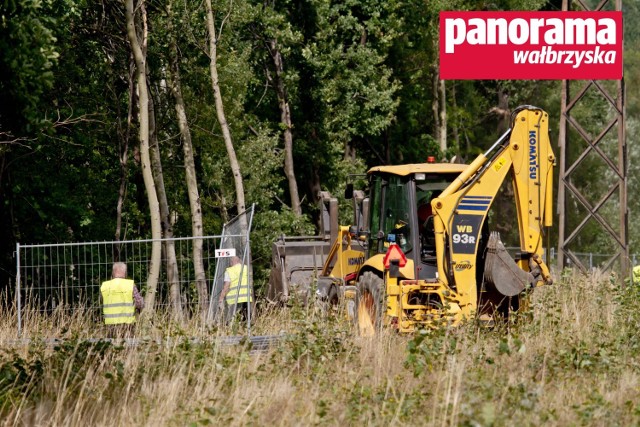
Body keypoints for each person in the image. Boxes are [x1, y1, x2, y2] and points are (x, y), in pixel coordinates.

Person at [100, 262, 144, 338]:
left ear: (113, 272)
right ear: (125, 272)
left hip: (110, 324)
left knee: (112, 346)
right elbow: (139, 303)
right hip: (127, 325)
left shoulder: (105, 286)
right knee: (128, 345)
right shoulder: (130, 285)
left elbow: (101, 301)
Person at [219, 256, 253, 323]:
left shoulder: (229, 271)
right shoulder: (246, 268)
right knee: (246, 318)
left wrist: (221, 298)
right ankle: (247, 331)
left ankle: (233, 331)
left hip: (234, 299)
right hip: (247, 298)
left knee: (233, 319)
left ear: (232, 262)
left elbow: (227, 286)